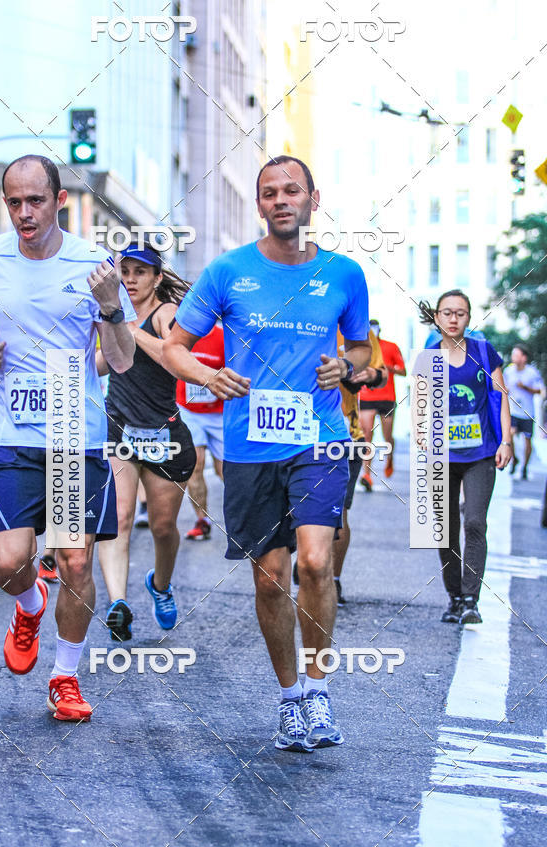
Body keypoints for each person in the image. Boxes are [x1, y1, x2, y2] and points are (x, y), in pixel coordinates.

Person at [162, 155, 371, 752]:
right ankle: (289, 700)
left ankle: (319, 691)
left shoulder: (343, 273)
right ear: (259, 206)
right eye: (270, 193)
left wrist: (346, 368)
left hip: (319, 434)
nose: (282, 200)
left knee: (313, 562)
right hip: (252, 443)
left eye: (292, 190)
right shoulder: (228, 272)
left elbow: (361, 350)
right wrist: (206, 376)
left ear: (313, 198)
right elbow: (175, 345)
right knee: (270, 576)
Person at [0, 154, 135, 721]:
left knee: (76, 561)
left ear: (59, 201)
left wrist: (109, 308)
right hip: (11, 435)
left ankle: (65, 677)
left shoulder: (95, 265)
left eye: (35, 201)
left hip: (74, 434)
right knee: (10, 562)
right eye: (14, 203)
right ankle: (30, 605)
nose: (24, 213)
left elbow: (122, 361)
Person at [97, 243, 196, 642]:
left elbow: (176, 358)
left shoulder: (165, 314)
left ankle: (160, 584)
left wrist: (132, 331)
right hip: (118, 427)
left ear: (157, 278)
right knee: (119, 519)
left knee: (163, 526)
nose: (131, 279)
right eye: (126, 271)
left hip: (163, 435)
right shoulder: (112, 313)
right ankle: (118, 603)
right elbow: (101, 364)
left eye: (141, 272)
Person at [418, 290, 512, 625]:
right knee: (445, 529)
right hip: (442, 456)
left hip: (482, 452)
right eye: (447, 313)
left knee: (474, 522)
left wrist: (506, 441)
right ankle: (454, 596)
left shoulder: (484, 352)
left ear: (469, 318)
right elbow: (421, 406)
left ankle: (472, 599)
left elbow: (501, 398)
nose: (454, 319)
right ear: (437, 318)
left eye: (460, 313)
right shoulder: (428, 357)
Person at [292, 326, 387, 605]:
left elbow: (380, 374)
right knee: (296, 508)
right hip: (295, 434)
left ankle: (332, 579)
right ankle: (308, 560)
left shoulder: (357, 331)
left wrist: (370, 374)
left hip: (346, 434)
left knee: (337, 514)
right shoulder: (296, 323)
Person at [176, 322, 225, 540]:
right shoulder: (181, 333)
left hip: (219, 412)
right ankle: (202, 520)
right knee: (195, 466)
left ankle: (242, 520)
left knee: (225, 470)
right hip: (188, 410)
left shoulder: (223, 337)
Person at [358, 319, 406, 488]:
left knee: (387, 437)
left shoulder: (391, 347)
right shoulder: (360, 348)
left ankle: (390, 458)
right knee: (366, 437)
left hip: (387, 398)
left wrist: (388, 368)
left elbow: (403, 371)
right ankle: (367, 474)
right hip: (366, 396)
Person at [503, 343, 545, 479]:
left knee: (528, 441)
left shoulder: (532, 372)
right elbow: (502, 387)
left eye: (517, 354)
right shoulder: (508, 371)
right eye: (513, 354)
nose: (513, 357)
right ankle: (514, 459)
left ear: (524, 357)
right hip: (513, 411)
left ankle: (525, 467)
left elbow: (541, 391)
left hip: (527, 412)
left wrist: (525, 387)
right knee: (510, 434)